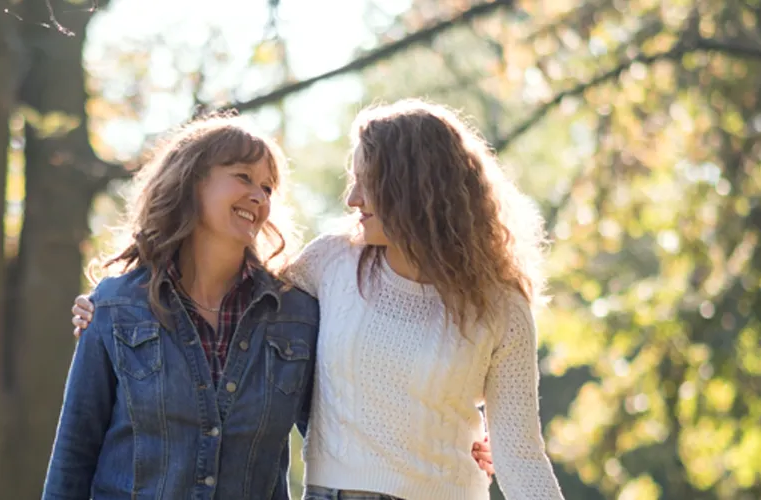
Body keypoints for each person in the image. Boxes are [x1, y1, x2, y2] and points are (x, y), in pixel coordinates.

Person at [72, 99, 560, 500]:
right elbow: (237, 299)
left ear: (415, 188)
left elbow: (521, 457)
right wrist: (113, 305)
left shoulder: (500, 306)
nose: (351, 199)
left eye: (367, 181)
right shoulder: (331, 263)